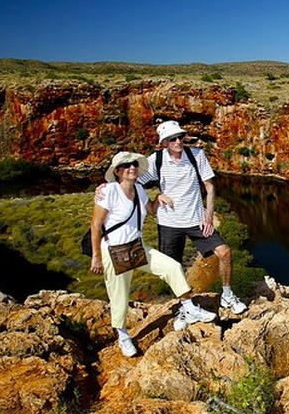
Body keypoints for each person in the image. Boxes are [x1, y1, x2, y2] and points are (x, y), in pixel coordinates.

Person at [90, 151, 217, 357]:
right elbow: (96, 226)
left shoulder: (139, 189)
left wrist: (159, 198)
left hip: (137, 247)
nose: (132, 167)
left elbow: (151, 210)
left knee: (172, 267)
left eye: (134, 164)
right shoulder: (108, 191)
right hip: (114, 251)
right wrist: (96, 256)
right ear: (118, 172)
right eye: (127, 165)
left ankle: (188, 306)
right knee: (119, 295)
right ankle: (123, 335)